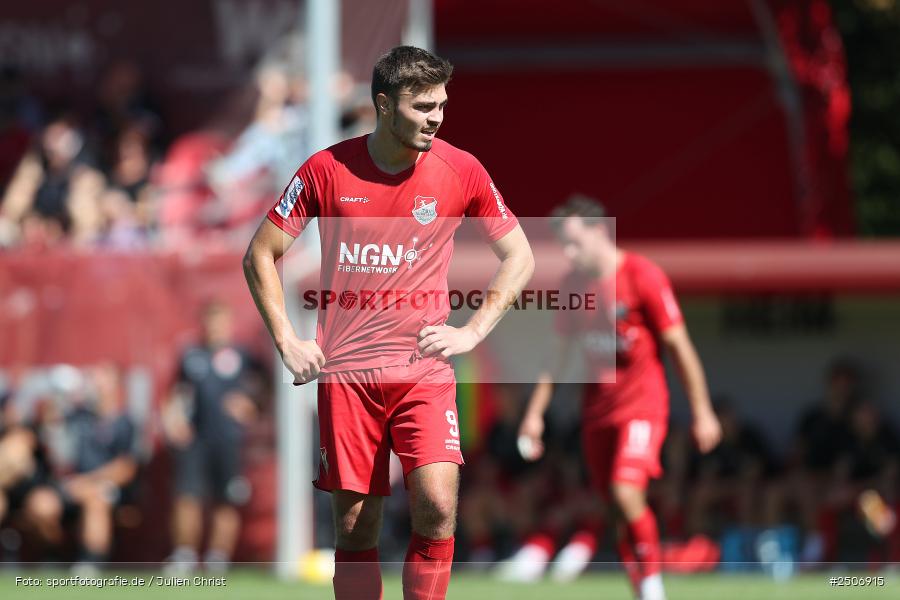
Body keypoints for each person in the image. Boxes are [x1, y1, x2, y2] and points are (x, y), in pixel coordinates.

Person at [243, 46, 534, 600]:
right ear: (383, 104)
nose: (437, 117)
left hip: (421, 370)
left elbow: (520, 256)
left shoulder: (461, 170)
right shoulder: (326, 170)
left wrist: (472, 331)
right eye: (423, 105)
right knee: (357, 528)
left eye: (442, 104)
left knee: (439, 505)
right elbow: (260, 254)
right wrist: (286, 338)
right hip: (347, 375)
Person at [517, 195, 721, 600]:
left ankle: (652, 588)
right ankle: (641, 586)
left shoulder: (643, 276)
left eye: (575, 242)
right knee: (614, 507)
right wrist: (534, 415)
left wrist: (703, 412)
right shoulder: (574, 286)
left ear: (598, 231)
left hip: (642, 407)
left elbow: (680, 349)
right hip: (597, 415)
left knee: (627, 491)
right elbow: (556, 358)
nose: (570, 253)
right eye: (564, 246)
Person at [162, 301, 264, 573]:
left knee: (226, 500)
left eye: (219, 321)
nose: (214, 327)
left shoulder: (243, 355)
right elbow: (173, 394)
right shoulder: (191, 355)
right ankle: (184, 555)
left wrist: (252, 404)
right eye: (209, 321)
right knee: (187, 496)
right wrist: (174, 421)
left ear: (229, 324)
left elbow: (266, 388)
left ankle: (217, 558)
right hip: (196, 439)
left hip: (229, 440)